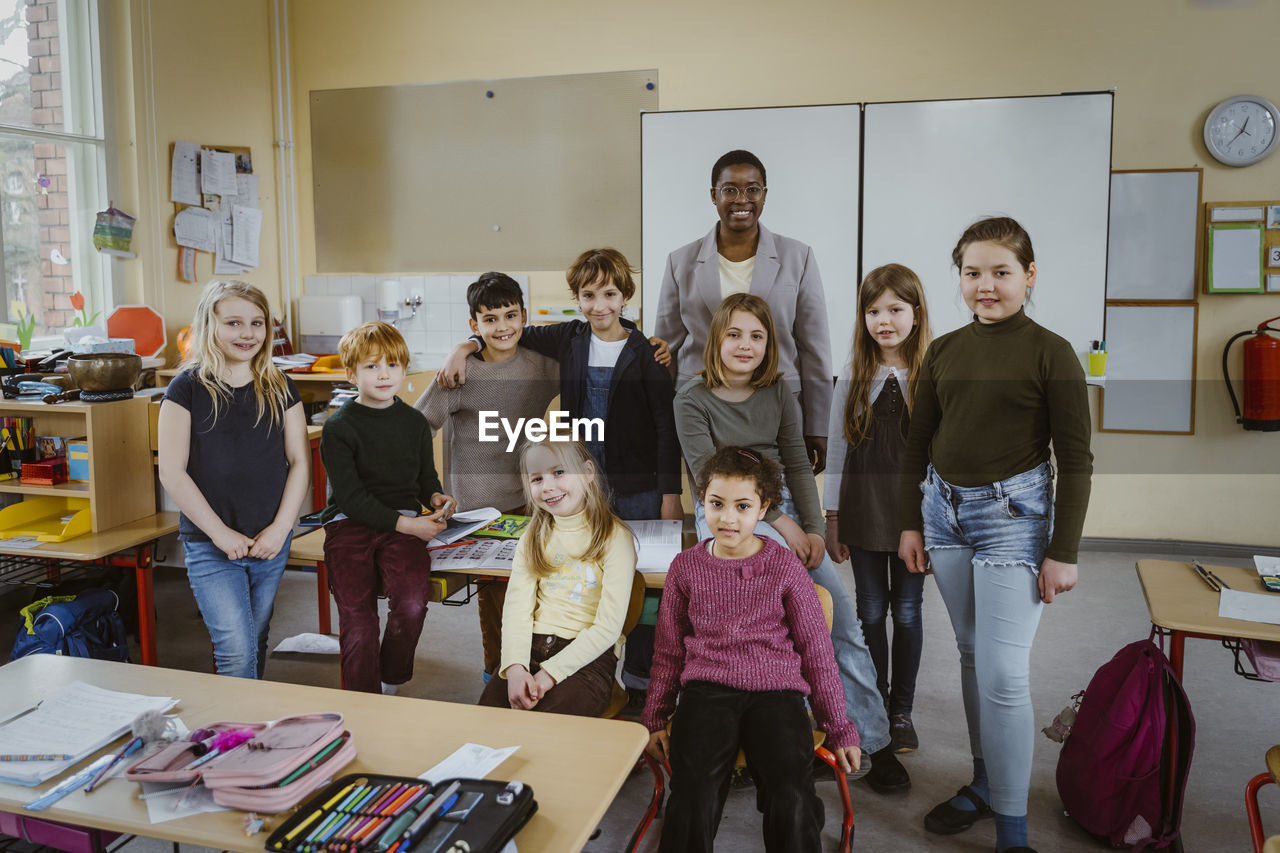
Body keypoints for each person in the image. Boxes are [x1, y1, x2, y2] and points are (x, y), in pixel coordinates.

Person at [898, 217, 1093, 853]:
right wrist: (910, 520)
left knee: (1005, 673)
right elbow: (917, 443)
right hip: (945, 515)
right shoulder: (945, 351)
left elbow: (1076, 456)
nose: (986, 285)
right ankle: (985, 783)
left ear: (1029, 277)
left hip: (1015, 520)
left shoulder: (1051, 350)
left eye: (1001, 272)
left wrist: (1063, 551)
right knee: (972, 653)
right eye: (972, 273)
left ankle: (1012, 831)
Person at [674, 292, 909, 794]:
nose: (745, 344)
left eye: (757, 336)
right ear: (717, 338)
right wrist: (782, 524)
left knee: (839, 618)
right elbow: (708, 477)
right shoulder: (691, 398)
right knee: (779, 624)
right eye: (735, 333)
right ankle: (781, 740)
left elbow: (798, 464)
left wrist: (818, 529)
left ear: (769, 344)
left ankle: (874, 740)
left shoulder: (779, 393)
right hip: (728, 512)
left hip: (782, 508)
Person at [643, 446, 860, 853]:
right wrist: (654, 715)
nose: (728, 517)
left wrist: (839, 726)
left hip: (776, 693)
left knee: (791, 792)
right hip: (706, 691)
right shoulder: (685, 568)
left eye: (742, 506)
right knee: (692, 794)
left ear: (763, 509)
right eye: (716, 503)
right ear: (701, 500)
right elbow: (669, 650)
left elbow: (817, 652)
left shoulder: (785, 567)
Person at [435, 248, 681, 520]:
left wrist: (671, 496)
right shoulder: (568, 338)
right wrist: (465, 346)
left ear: (626, 296)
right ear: (577, 297)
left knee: (640, 560)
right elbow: (510, 333)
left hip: (639, 490)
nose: (599, 306)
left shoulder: (649, 354)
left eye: (609, 294)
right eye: (589, 295)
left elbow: (667, 430)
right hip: (581, 486)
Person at [158, 279, 310, 679]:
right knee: (236, 651)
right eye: (234, 323)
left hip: (269, 542)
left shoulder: (280, 385)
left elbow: (299, 462)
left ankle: (253, 728)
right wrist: (220, 534)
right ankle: (237, 738)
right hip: (211, 543)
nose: (247, 334)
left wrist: (280, 529)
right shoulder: (185, 388)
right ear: (210, 324)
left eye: (257, 323)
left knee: (256, 639)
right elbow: (172, 471)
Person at [416, 272, 559, 681]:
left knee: (537, 593)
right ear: (474, 325)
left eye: (510, 316)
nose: (503, 327)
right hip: (481, 509)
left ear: (524, 316)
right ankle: (495, 676)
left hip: (532, 501)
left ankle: (538, 671)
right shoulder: (458, 375)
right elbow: (414, 431)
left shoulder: (544, 367)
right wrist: (427, 490)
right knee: (496, 598)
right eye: (490, 319)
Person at [656, 149, 833, 473]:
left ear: (764, 194)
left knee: (776, 508)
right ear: (714, 195)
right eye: (730, 189)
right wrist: (665, 426)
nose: (742, 199)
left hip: (778, 408)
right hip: (703, 410)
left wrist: (819, 425)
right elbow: (666, 349)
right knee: (717, 509)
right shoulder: (680, 261)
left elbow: (814, 347)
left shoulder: (798, 257)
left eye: (752, 189)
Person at [824, 264, 933, 753]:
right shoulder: (854, 374)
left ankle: (902, 711)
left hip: (915, 516)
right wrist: (832, 517)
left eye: (894, 309)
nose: (883, 320)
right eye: (873, 310)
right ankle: (876, 698)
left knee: (908, 612)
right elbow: (837, 449)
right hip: (863, 511)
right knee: (869, 612)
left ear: (916, 312)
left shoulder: (933, 373)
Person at [319, 321, 455, 695]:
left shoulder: (414, 423)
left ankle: (390, 679)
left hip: (404, 525)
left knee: (412, 605)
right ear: (351, 374)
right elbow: (352, 499)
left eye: (392, 365)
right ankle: (364, 700)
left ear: (403, 369)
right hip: (350, 526)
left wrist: (435, 498)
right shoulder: (339, 427)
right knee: (359, 622)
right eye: (372, 366)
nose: (384, 375)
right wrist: (408, 527)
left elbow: (426, 478)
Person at [477, 439, 637, 716]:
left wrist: (549, 674)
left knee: (544, 732)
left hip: (587, 657)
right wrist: (515, 668)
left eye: (559, 472)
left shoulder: (616, 538)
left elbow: (608, 628)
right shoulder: (532, 536)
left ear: (588, 472)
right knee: (485, 723)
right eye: (537, 478)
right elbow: (516, 610)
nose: (548, 486)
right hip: (529, 647)